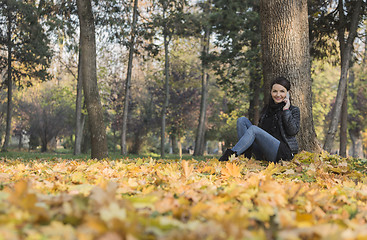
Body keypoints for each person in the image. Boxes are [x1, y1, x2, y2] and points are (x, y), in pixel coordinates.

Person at [219, 76, 300, 162]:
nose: (278, 95)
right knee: (241, 120)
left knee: (254, 129)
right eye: (275, 91)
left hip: (281, 153)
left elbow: (293, 131)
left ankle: (229, 157)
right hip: (263, 151)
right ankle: (246, 155)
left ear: (288, 93)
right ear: (271, 92)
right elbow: (261, 132)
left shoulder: (293, 110)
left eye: (282, 91)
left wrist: (286, 110)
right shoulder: (267, 109)